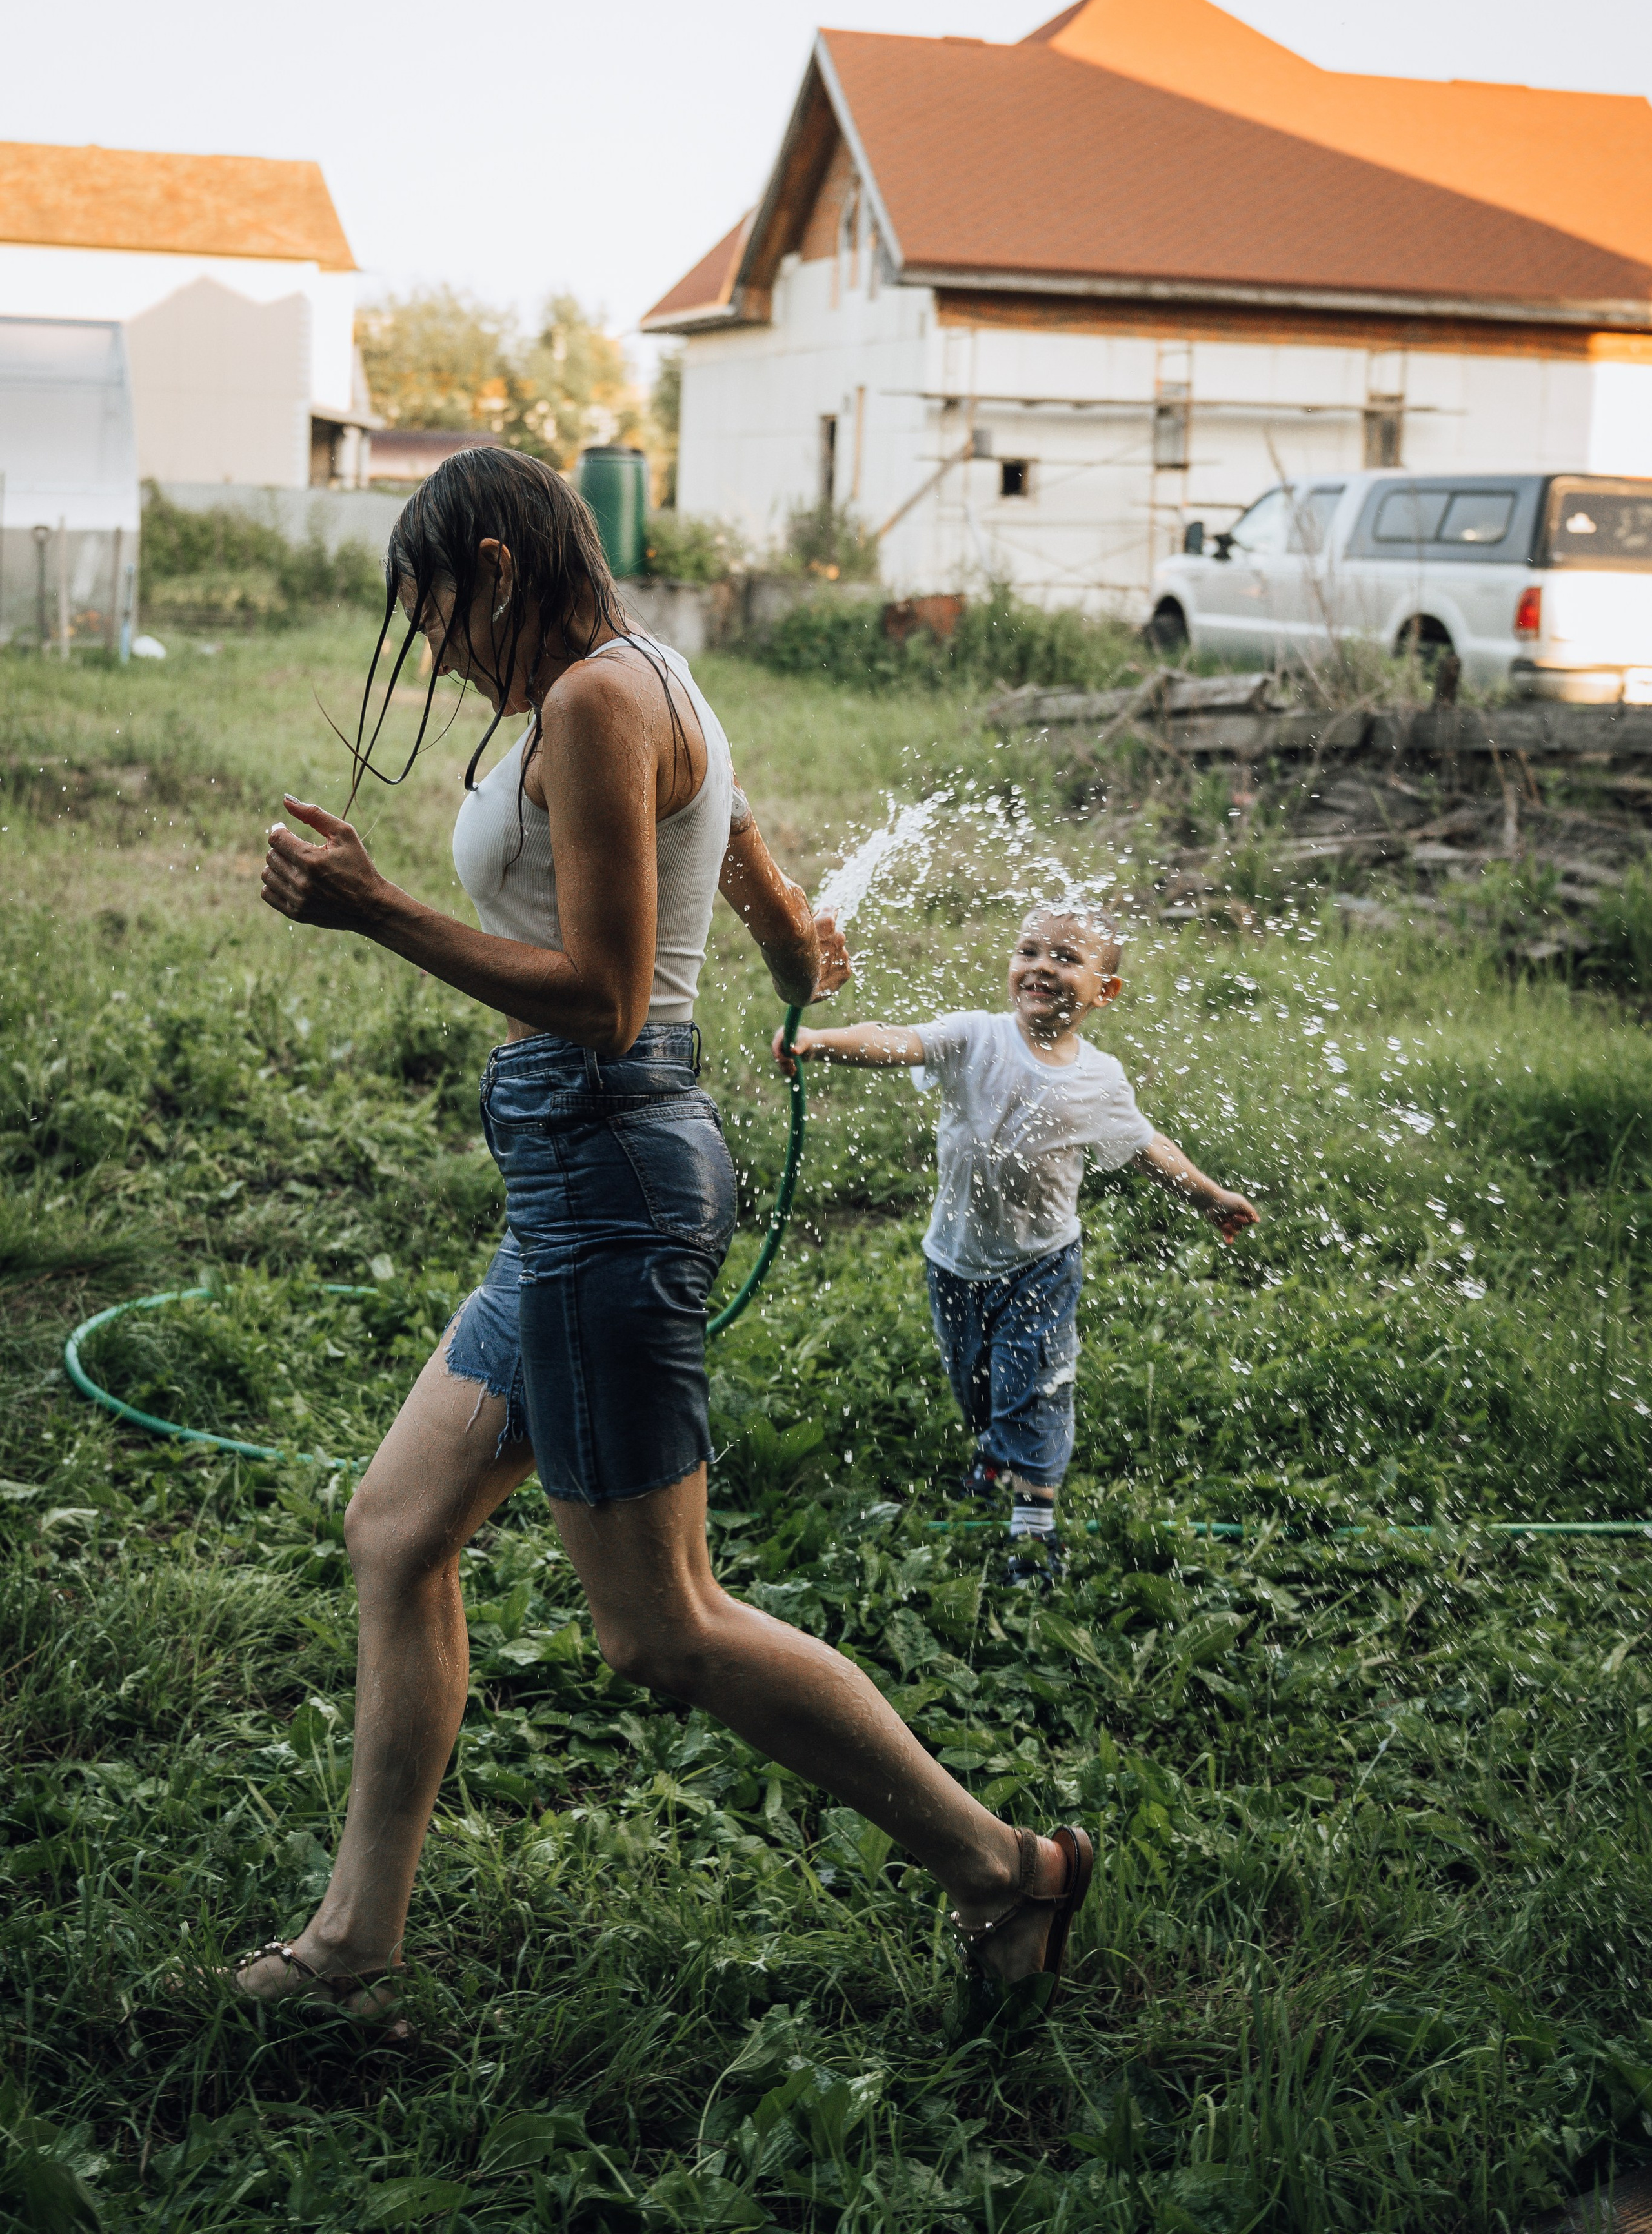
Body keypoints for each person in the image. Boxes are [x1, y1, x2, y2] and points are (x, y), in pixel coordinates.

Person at [236, 447, 1091, 2027]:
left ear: (495, 563)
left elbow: (608, 995)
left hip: (610, 1167)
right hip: (573, 1182)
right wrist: (780, 932)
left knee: (657, 1623)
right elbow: (742, 836)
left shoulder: (591, 701)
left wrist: (370, 907)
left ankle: (1004, 1868)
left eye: (435, 613)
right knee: (395, 1528)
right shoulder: (646, 676)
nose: (431, 653)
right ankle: (355, 1942)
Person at [776, 906, 1260, 1584]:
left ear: (1104, 991)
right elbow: (899, 1041)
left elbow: (1148, 1147)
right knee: (974, 1386)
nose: (1040, 966)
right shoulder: (976, 1037)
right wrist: (821, 1040)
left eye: (1065, 958)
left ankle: (1033, 1529)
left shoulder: (1099, 1079)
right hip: (952, 1259)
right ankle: (997, 1453)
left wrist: (1209, 1196)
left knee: (1031, 1389)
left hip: (1040, 1265)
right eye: (1029, 951)